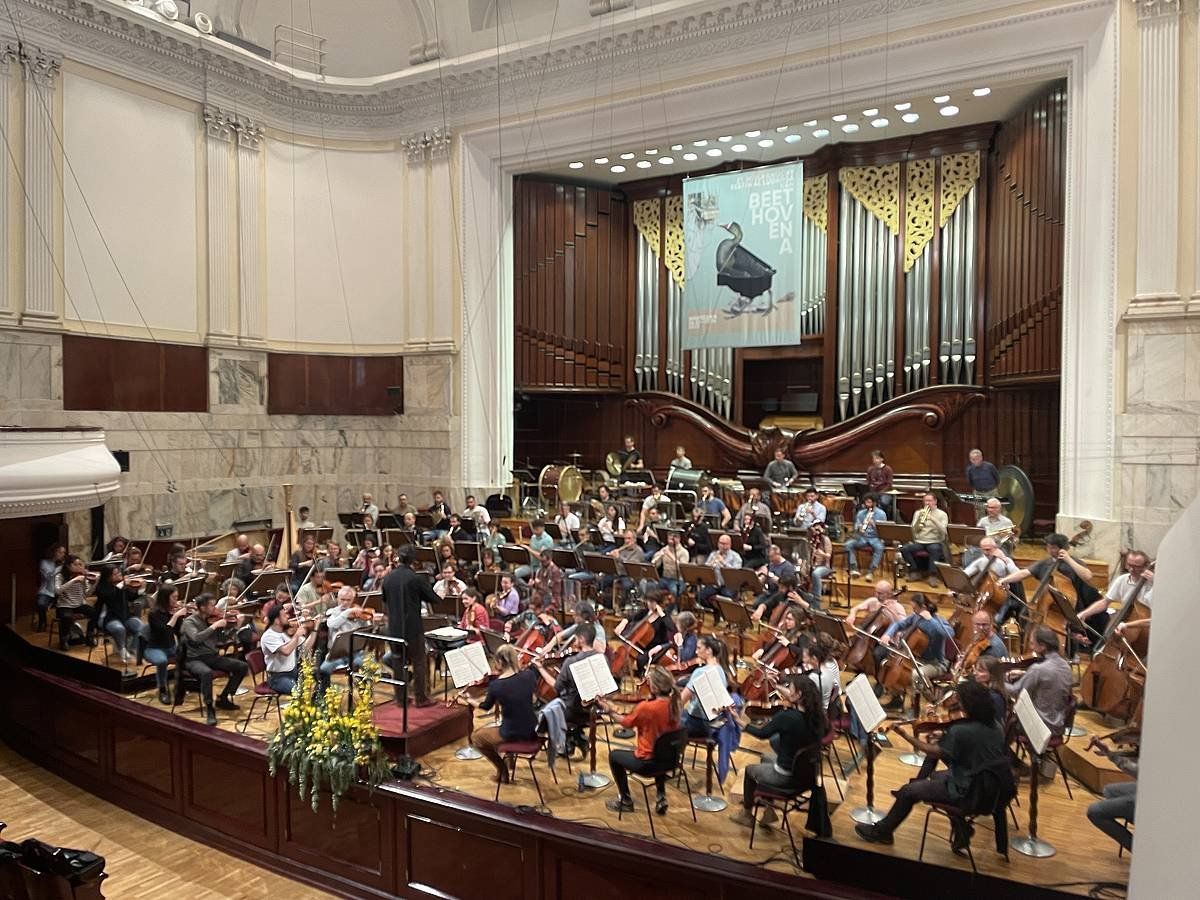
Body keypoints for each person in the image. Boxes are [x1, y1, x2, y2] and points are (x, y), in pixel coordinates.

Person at [855, 679, 1009, 847]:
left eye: (960, 701)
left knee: (909, 791)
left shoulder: (962, 730)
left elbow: (932, 751)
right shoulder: (996, 725)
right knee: (936, 776)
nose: (957, 705)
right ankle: (961, 829)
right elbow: (972, 749)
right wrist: (945, 738)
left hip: (967, 792)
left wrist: (905, 735)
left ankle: (882, 832)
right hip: (991, 788)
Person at [728, 675, 826, 828]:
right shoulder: (818, 717)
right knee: (767, 757)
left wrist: (740, 722)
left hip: (786, 777)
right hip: (807, 777)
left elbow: (762, 734)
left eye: (790, 689)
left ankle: (747, 814)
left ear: (798, 695)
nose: (788, 691)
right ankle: (769, 812)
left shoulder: (787, 717)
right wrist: (778, 687)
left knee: (749, 771)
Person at [597, 666, 682, 814]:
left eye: (648, 682)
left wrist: (609, 710)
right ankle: (661, 796)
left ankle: (626, 800)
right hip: (670, 761)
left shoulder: (647, 708)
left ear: (654, 687)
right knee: (661, 749)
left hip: (647, 763)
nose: (646, 685)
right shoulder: (675, 704)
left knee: (614, 756)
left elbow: (627, 723)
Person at [999, 534, 1103, 648]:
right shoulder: (1045, 563)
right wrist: (1004, 580)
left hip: (1069, 609)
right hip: (1044, 608)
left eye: (1053, 547)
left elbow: (1088, 576)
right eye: (1048, 547)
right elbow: (1024, 573)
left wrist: (1068, 559)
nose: (1049, 550)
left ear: (1063, 548)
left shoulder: (1074, 562)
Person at [468, 644, 540, 783]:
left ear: (500, 662)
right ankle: (508, 764)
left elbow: (485, 707)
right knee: (508, 721)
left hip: (512, 733)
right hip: (532, 729)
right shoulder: (529, 675)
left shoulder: (497, 686)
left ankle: (502, 771)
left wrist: (470, 700)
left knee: (477, 738)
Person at [180, 594, 249, 725]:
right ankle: (210, 708)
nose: (215, 608)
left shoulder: (212, 620)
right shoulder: (189, 622)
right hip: (194, 659)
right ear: (202, 607)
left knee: (242, 666)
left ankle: (223, 698)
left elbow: (222, 640)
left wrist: (236, 627)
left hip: (211, 656)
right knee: (206, 673)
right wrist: (214, 626)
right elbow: (196, 638)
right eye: (212, 605)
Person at [382, 547, 438, 707]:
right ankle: (420, 698)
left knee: (398, 662)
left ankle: (400, 699)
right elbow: (432, 599)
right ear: (413, 560)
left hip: (394, 628)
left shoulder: (388, 578)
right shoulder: (415, 578)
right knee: (419, 661)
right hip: (413, 628)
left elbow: (385, 600)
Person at [878, 593, 954, 707]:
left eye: (915, 608)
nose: (914, 611)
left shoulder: (939, 620)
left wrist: (930, 620)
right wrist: (888, 635)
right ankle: (897, 699)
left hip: (936, 663)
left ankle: (929, 702)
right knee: (892, 666)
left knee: (916, 675)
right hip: (915, 659)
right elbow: (899, 624)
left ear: (923, 606)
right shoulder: (916, 617)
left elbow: (947, 634)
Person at [1004, 625, 1073, 735]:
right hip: (1058, 726)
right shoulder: (1066, 666)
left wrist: (996, 681)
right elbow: (1050, 678)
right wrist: (1025, 674)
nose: (1030, 647)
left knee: (1006, 712)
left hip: (1040, 728)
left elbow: (1015, 691)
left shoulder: (1038, 669)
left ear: (1042, 646)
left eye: (1032, 643)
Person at [534, 623, 602, 729]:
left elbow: (556, 686)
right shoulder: (601, 658)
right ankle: (578, 737)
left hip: (573, 710)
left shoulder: (571, 661)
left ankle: (557, 744)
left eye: (576, 638)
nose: (574, 642)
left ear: (582, 639)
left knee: (540, 716)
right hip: (596, 708)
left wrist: (540, 668)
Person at [1078, 550, 1154, 638]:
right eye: (1129, 565)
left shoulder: (1154, 584)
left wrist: (1157, 582)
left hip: (1147, 630)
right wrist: (1084, 613)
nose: (1131, 569)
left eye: (1136, 566)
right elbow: (1105, 602)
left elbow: (1156, 618)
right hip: (1126, 624)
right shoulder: (1122, 580)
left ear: (1146, 566)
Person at [679, 635, 731, 738]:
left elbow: (681, 701)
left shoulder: (700, 672)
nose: (696, 652)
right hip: (713, 723)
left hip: (697, 724)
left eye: (699, 648)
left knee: (660, 720)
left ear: (709, 650)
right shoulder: (721, 670)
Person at [260, 604, 316, 695]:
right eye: (284, 615)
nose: (288, 616)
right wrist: (297, 635)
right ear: (277, 620)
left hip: (294, 671)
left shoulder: (285, 632)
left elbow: (306, 647)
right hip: (278, 678)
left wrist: (315, 629)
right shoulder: (269, 636)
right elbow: (286, 651)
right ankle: (296, 708)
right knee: (300, 693)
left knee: (316, 684)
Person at [94, 565, 145, 663]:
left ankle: (133, 649)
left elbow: (131, 597)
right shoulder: (102, 588)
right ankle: (122, 649)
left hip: (125, 617)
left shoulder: (122, 587)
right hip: (109, 618)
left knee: (141, 627)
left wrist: (141, 589)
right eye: (115, 574)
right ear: (108, 576)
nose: (119, 575)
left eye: (119, 573)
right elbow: (109, 596)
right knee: (119, 629)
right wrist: (120, 585)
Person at [144, 585, 187, 704]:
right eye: (174, 597)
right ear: (165, 598)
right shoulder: (154, 614)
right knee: (162, 661)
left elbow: (179, 632)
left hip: (171, 647)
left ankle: (181, 685)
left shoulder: (173, 612)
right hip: (154, 648)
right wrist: (176, 616)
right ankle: (162, 689)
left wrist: (184, 620)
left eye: (177, 597)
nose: (176, 600)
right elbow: (165, 631)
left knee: (188, 654)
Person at [900, 493, 949, 585]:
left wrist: (933, 519)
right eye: (925, 501)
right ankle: (915, 571)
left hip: (935, 541)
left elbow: (944, 531)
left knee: (934, 549)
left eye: (929, 501)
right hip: (920, 541)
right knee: (904, 549)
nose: (927, 503)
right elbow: (913, 530)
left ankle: (932, 575)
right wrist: (919, 520)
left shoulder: (942, 514)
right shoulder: (918, 513)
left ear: (935, 501)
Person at [54, 554, 98, 650]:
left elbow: (86, 594)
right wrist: (73, 580)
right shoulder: (60, 576)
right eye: (76, 564)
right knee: (66, 617)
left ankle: (89, 635)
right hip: (64, 605)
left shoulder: (83, 577)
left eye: (80, 564)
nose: (79, 567)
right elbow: (57, 591)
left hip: (78, 604)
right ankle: (64, 639)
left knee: (94, 612)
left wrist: (94, 584)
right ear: (68, 566)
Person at [843, 494, 886, 580]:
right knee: (848, 544)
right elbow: (856, 526)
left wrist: (874, 525)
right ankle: (853, 568)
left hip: (875, 537)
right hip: (862, 537)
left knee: (879, 548)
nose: (867, 504)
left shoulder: (881, 514)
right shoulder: (861, 513)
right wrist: (859, 528)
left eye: (869, 502)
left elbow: (883, 530)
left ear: (874, 503)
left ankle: (871, 571)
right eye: (866, 502)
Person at [539, 601, 607, 656]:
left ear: (584, 616)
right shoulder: (578, 625)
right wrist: (548, 647)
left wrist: (585, 636)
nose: (573, 617)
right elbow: (560, 635)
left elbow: (601, 651)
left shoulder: (598, 629)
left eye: (576, 615)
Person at [698, 534, 743, 613]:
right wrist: (710, 565)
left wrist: (723, 562)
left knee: (727, 598)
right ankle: (716, 611)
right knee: (700, 597)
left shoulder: (736, 557)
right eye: (720, 543)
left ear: (729, 545)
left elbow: (736, 573)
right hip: (715, 584)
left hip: (728, 585)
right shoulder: (713, 554)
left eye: (724, 544)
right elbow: (705, 569)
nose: (722, 546)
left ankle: (724, 613)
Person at [35, 543, 66, 632]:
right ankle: (42, 622)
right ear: (54, 552)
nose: (62, 555)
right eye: (60, 552)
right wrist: (60, 567)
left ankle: (64, 625)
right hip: (47, 591)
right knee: (41, 604)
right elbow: (48, 576)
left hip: (60, 591)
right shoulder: (44, 562)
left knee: (68, 604)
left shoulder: (64, 564)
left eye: (64, 553)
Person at [652, 530, 688, 599]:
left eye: (672, 538)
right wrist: (657, 557)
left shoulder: (684, 552)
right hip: (665, 578)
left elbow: (683, 569)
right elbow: (656, 565)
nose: (670, 540)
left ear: (678, 539)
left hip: (678, 580)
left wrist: (671, 556)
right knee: (652, 588)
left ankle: (671, 609)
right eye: (669, 538)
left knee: (674, 591)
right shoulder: (664, 549)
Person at [865, 450, 895, 520]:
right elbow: (868, 482)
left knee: (883, 502)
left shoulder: (888, 469)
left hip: (885, 492)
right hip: (873, 492)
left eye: (877, 458)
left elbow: (889, 484)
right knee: (866, 502)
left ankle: (882, 519)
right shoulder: (870, 469)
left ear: (882, 459)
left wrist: (881, 492)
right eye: (874, 458)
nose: (875, 460)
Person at [808, 523, 833, 600]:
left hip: (824, 566)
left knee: (816, 573)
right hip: (812, 564)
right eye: (815, 529)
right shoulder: (811, 540)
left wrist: (822, 554)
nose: (816, 532)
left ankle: (817, 598)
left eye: (818, 530)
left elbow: (829, 556)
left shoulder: (825, 539)